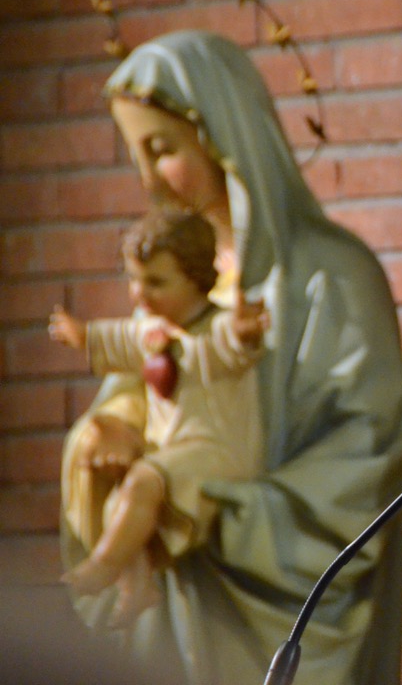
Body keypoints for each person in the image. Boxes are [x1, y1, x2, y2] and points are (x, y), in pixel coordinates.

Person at [59, 30, 402, 685]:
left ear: (225, 135)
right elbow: (148, 378)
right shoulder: (172, 281)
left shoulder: (331, 276)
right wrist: (112, 427)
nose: (148, 179)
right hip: (178, 603)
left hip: (273, 602)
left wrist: (223, 510)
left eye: (163, 150)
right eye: (136, 155)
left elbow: (369, 449)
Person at [51, 208, 267, 629]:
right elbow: (119, 338)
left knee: (142, 482)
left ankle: (102, 567)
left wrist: (244, 333)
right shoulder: (155, 331)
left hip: (219, 451)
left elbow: (233, 346)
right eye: (133, 280)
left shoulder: (213, 330)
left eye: (156, 282)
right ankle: (138, 586)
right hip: (174, 450)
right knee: (120, 503)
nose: (139, 294)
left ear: (195, 278)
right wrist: (82, 336)